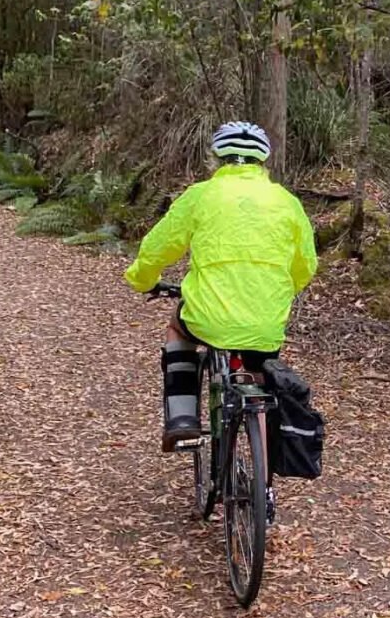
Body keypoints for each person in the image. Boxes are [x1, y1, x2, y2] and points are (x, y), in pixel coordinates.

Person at [124, 121, 317, 453]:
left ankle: (182, 420)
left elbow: (158, 248)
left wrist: (143, 280)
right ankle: (263, 459)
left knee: (178, 330)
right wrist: (281, 289)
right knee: (258, 369)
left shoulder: (201, 196)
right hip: (266, 321)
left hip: (208, 317)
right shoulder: (286, 202)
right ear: (262, 163)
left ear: (215, 159)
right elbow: (306, 266)